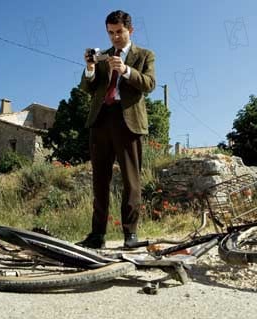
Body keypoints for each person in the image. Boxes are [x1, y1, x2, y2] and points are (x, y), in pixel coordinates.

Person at [77, 10, 156, 249]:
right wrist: (90, 67)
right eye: (110, 33)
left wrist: (125, 71)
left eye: (119, 32)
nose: (114, 37)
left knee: (131, 182)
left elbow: (150, 84)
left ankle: (130, 235)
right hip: (101, 120)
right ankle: (97, 235)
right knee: (100, 181)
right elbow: (88, 88)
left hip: (129, 122)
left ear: (130, 30)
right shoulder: (103, 57)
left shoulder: (144, 55)